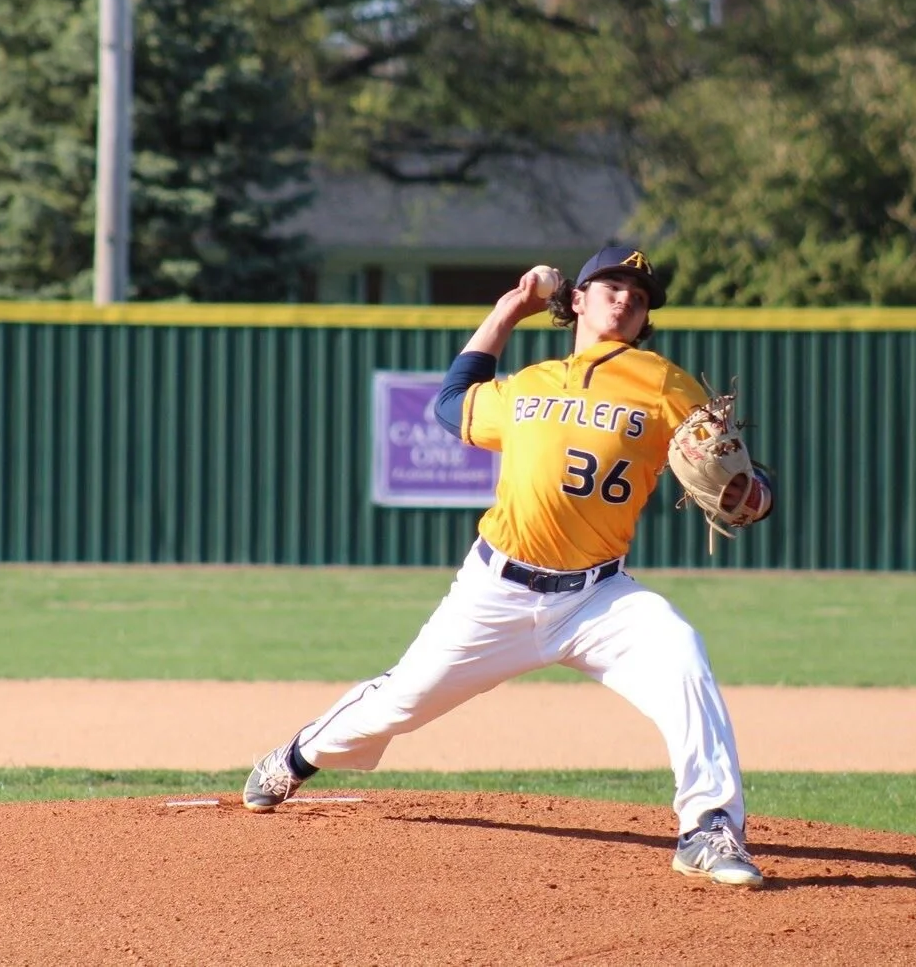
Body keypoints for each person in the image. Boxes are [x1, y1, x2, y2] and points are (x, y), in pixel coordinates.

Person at [243, 245, 775, 887]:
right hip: (495, 592)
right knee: (400, 702)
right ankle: (297, 756)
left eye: (639, 294)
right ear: (577, 300)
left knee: (681, 653)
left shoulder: (663, 382)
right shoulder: (529, 385)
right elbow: (448, 405)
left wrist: (757, 492)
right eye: (611, 285)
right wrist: (511, 307)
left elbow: (733, 463)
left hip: (596, 599)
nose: (627, 297)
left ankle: (710, 828)